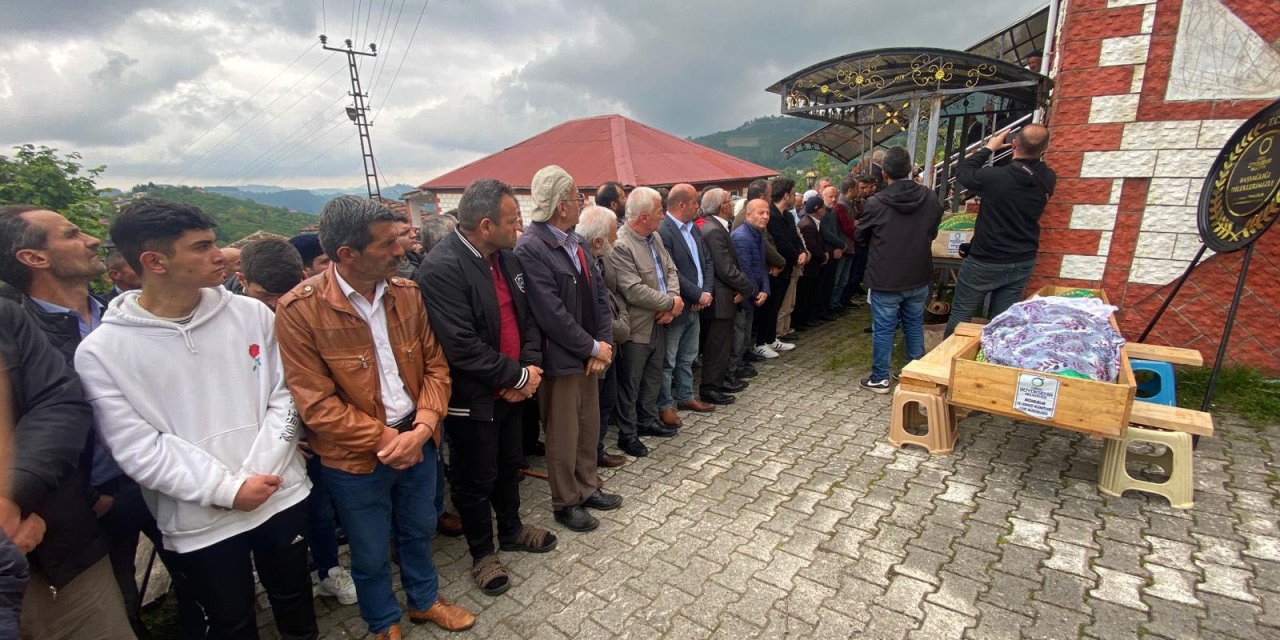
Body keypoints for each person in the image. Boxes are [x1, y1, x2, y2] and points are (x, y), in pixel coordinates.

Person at [75, 198, 317, 639]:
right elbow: (137, 446)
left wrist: (258, 474)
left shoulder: (250, 313)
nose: (219, 255)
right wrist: (226, 489)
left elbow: (285, 396)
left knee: (295, 599)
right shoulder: (103, 351)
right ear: (154, 261)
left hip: (280, 492)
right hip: (199, 519)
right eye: (201, 246)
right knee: (232, 620)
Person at [274, 196, 473, 637]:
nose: (402, 250)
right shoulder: (299, 310)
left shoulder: (407, 293)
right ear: (347, 254)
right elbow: (316, 404)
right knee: (367, 548)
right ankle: (382, 621)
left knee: (419, 530)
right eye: (387, 243)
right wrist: (387, 440)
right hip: (355, 458)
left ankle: (424, 601)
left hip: (418, 439)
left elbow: (436, 367)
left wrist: (421, 429)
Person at [417, 179, 558, 597]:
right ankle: (482, 553)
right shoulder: (441, 269)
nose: (519, 228)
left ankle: (512, 529)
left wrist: (529, 369)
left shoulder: (507, 258)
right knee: (474, 478)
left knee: (509, 464)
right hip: (474, 398)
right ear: (484, 225)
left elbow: (527, 317)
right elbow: (460, 345)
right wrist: (515, 377)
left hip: (515, 390)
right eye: (513, 221)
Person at [233, 237, 359, 607]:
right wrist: (281, 438)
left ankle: (328, 572)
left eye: (285, 292)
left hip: (313, 433)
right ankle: (264, 583)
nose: (278, 305)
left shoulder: (315, 303)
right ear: (242, 281)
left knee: (318, 509)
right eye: (267, 296)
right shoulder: (232, 319)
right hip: (257, 444)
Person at [514, 166, 621, 534]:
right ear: (561, 205)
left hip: (589, 354)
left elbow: (600, 295)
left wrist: (601, 344)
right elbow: (550, 313)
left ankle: (588, 486)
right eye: (577, 197)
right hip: (561, 359)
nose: (582, 202)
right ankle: (565, 501)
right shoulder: (531, 247)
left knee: (588, 426)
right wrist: (591, 345)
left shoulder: (573, 240)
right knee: (562, 434)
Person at [946, 124, 1056, 336]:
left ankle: (948, 359)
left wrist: (989, 148)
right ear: (1045, 148)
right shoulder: (1048, 178)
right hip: (1022, 259)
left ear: (1014, 144)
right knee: (1003, 319)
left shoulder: (995, 177)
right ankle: (992, 359)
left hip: (985, 258)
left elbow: (963, 173)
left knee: (962, 312)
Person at [854, 148, 944, 393]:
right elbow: (933, 231)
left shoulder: (875, 203)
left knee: (883, 329)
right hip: (918, 272)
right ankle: (914, 374)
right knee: (913, 325)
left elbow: (860, 236)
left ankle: (880, 378)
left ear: (884, 173)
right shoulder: (930, 197)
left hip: (885, 275)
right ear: (909, 170)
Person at [604, 186, 683, 457]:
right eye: (660, 210)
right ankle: (628, 434)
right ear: (645, 216)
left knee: (652, 377)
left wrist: (672, 302)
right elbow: (633, 289)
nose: (663, 215)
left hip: (660, 321)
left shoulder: (655, 237)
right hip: (638, 327)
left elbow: (670, 269)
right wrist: (671, 303)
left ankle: (647, 421)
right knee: (631, 383)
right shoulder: (621, 245)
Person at [574, 206, 630, 468]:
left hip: (610, 341)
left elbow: (614, 292)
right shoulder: (576, 261)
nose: (617, 238)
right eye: (612, 234)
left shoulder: (602, 257)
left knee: (607, 401)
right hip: (594, 349)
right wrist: (612, 332)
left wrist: (621, 321)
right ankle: (587, 458)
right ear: (597, 241)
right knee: (591, 409)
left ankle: (598, 451)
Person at [657, 183, 715, 420]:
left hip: (697, 304)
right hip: (679, 305)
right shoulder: (664, 231)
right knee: (668, 360)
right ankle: (665, 405)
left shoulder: (693, 228)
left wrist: (706, 292)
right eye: (694, 203)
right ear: (682, 205)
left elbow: (707, 261)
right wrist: (696, 294)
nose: (698, 207)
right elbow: (672, 271)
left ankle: (685, 396)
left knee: (688, 356)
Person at [698, 189, 755, 405]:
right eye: (730, 200)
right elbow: (725, 268)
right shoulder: (713, 230)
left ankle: (720, 381)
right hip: (721, 298)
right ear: (722, 205)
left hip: (727, 295)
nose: (733, 204)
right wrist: (748, 287)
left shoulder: (718, 227)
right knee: (717, 346)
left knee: (723, 344)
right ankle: (711, 387)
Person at [760, 177, 805, 357]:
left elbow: (794, 238)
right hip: (776, 268)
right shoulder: (771, 215)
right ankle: (763, 340)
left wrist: (802, 251)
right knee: (770, 307)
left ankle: (772, 339)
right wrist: (795, 257)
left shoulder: (787, 215)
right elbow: (781, 243)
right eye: (793, 193)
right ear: (786, 195)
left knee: (778, 305)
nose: (795, 197)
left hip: (787, 267)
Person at [795, 196, 830, 330]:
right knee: (805, 294)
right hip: (810, 266)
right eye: (823, 208)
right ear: (818, 209)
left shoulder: (813, 222)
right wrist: (823, 256)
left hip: (815, 265)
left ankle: (808, 317)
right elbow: (812, 246)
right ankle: (802, 319)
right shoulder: (808, 224)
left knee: (812, 293)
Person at [831, 178, 860, 309]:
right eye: (857, 188)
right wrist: (857, 226)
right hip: (844, 246)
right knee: (838, 279)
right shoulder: (841, 205)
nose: (858, 191)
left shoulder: (850, 203)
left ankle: (838, 301)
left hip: (848, 246)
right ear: (850, 190)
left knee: (844, 278)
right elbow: (848, 228)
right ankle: (833, 302)